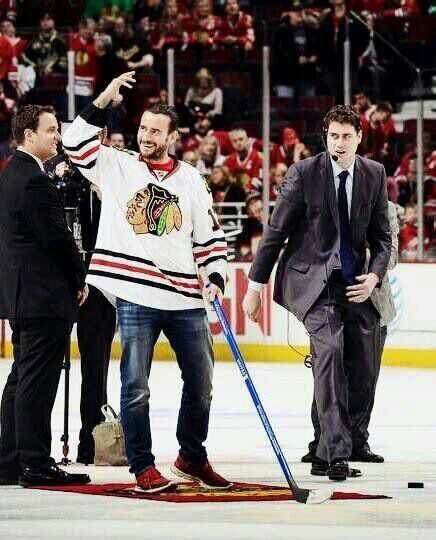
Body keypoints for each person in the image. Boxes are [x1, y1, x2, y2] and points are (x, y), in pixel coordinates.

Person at [63, 72, 231, 493]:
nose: (146, 136)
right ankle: (142, 466)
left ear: (172, 137)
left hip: (186, 297)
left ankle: (191, 456)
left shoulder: (191, 180)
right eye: (142, 128)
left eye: (156, 131)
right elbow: (74, 142)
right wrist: (104, 98)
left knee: (202, 383)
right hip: (136, 294)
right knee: (135, 386)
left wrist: (214, 275)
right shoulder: (117, 165)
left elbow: (209, 238)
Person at [242, 105, 391, 482]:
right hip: (310, 282)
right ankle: (334, 455)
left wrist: (373, 277)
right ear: (326, 137)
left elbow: (383, 240)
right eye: (333, 136)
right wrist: (255, 287)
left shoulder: (374, 173)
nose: (339, 143)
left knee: (364, 362)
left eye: (346, 136)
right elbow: (275, 232)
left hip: (356, 283)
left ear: (360, 138)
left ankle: (331, 443)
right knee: (330, 352)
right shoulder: (303, 173)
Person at [0, 104, 90, 488]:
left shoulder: (11, 174)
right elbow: (58, 239)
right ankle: (34, 462)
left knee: (21, 377)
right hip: (43, 296)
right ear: (29, 135)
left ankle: (10, 462)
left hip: (22, 294)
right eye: (51, 130)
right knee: (36, 381)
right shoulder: (35, 180)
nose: (58, 137)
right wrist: (79, 277)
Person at [302, 200, 399, 466]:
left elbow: (391, 256)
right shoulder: (324, 200)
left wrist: (353, 255)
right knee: (328, 374)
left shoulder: (386, 208)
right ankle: (323, 441)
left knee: (365, 379)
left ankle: (356, 440)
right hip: (330, 302)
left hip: (372, 306)